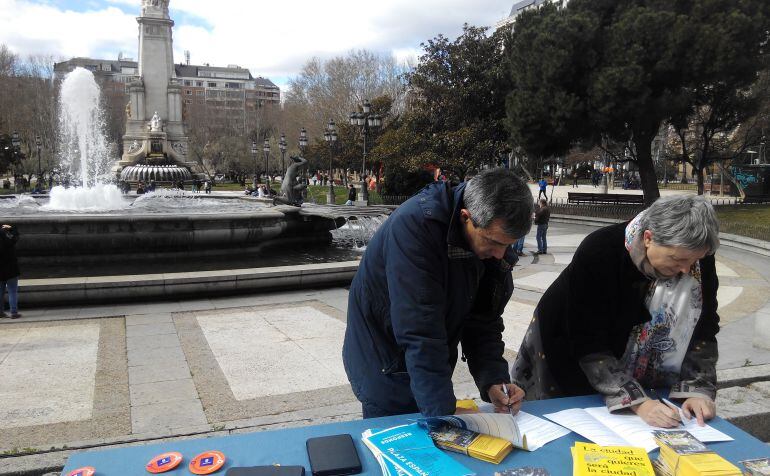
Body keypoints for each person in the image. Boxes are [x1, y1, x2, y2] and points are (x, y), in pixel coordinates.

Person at [511, 195, 721, 428]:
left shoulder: (696, 258)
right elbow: (587, 340)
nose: (686, 270)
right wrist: (638, 402)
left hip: (614, 354)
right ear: (649, 238)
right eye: (677, 259)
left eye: (694, 261)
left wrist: (698, 389)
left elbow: (704, 326)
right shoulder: (600, 251)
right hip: (568, 345)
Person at [342, 168, 533, 418]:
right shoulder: (415, 229)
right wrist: (442, 417)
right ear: (466, 217)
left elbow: (484, 319)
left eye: (508, 245)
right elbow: (420, 331)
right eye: (494, 243)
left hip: (423, 358)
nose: (500, 254)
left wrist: (493, 379)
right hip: (383, 362)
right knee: (399, 445)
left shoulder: (488, 238)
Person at [1, 224, 21, 319]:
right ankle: (14, 312)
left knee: (0, 292)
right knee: (12, 291)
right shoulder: (9, 241)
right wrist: (12, 229)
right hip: (11, 269)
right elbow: (15, 237)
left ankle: (0, 312)